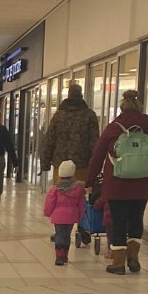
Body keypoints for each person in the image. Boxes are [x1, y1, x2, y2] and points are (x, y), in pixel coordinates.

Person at [85, 89, 148, 275]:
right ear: (139, 106)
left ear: (122, 107)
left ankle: (118, 263)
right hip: (142, 184)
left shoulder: (114, 127)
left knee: (118, 221)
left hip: (117, 185)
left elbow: (97, 156)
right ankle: (134, 258)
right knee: (136, 220)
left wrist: (90, 181)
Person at [39, 82, 99, 247]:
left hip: (61, 164)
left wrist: (45, 162)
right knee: (81, 195)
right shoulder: (90, 115)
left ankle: (61, 229)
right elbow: (95, 142)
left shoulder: (59, 115)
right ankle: (82, 226)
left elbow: (49, 140)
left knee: (62, 196)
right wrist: (97, 164)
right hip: (82, 163)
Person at [44, 160, 86, 266]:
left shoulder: (55, 189)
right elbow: (81, 204)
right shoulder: (78, 189)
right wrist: (80, 216)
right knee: (67, 236)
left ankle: (59, 257)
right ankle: (65, 255)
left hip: (58, 217)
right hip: (71, 217)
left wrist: (47, 213)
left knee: (59, 235)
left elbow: (50, 202)